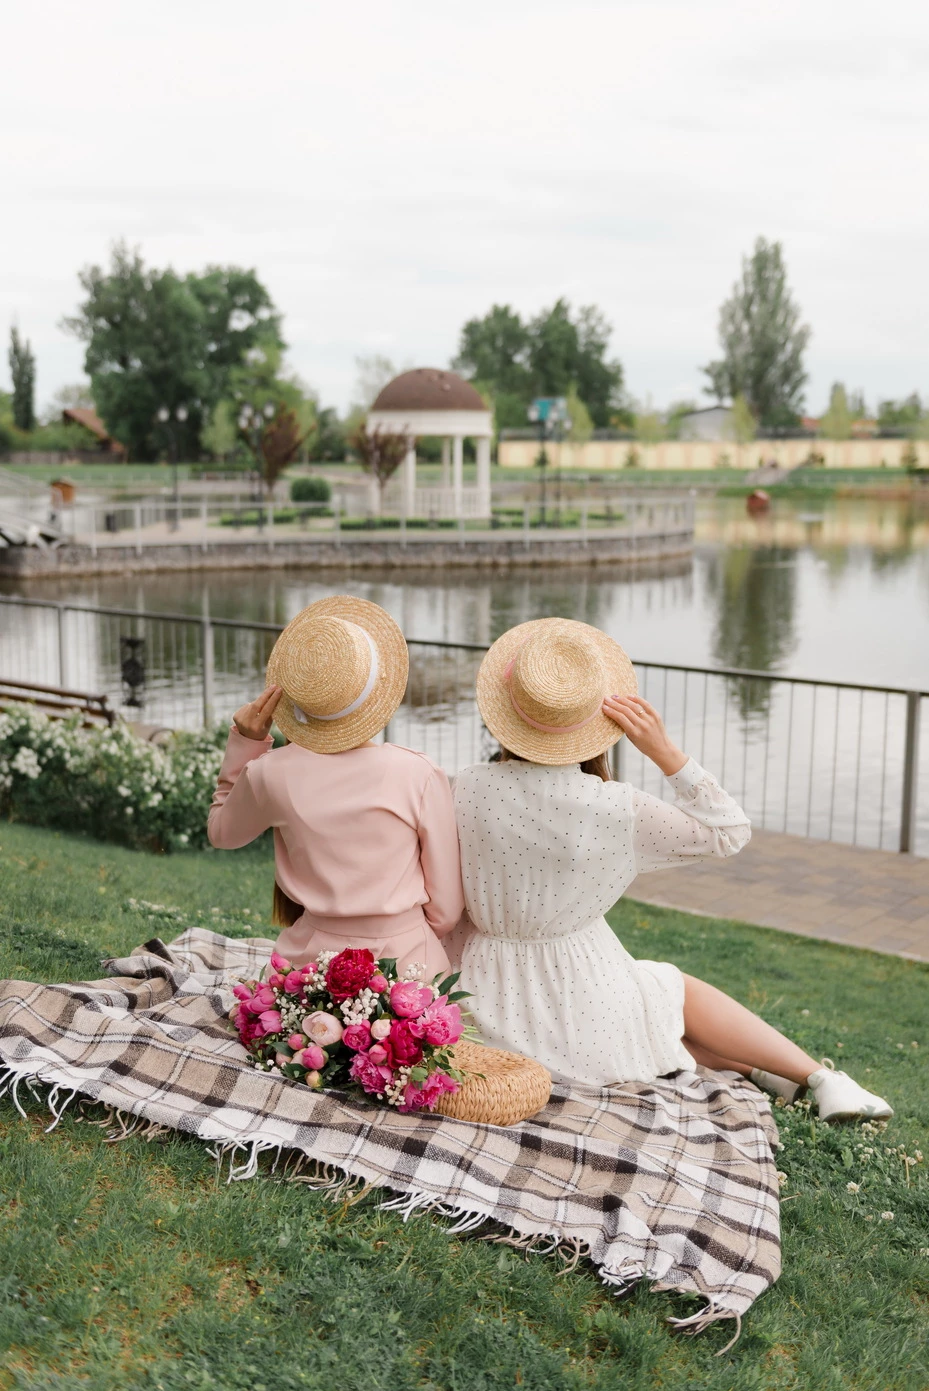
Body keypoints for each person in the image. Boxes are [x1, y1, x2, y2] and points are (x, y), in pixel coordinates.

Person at [451, 617, 892, 1122]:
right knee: (669, 990)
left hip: (485, 1008)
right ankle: (821, 1077)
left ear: (506, 713)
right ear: (601, 721)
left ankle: (776, 1076)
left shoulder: (466, 787)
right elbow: (729, 831)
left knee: (649, 1010)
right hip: (591, 1013)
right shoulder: (618, 808)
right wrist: (666, 753)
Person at [208, 595, 463, 979]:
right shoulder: (418, 773)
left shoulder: (271, 773)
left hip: (306, 974)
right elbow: (445, 912)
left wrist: (245, 744)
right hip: (409, 973)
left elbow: (221, 833)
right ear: (377, 690)